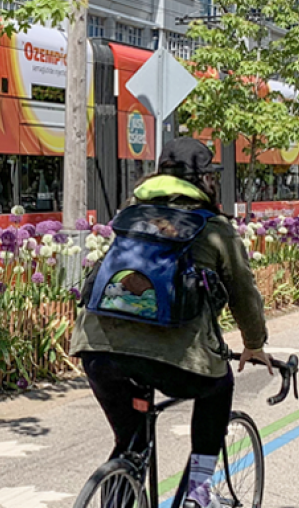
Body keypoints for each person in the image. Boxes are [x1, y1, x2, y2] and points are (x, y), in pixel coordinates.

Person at [70, 137, 270, 508]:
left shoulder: (130, 212)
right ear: (206, 180)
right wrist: (255, 343)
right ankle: (198, 492)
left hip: (98, 349)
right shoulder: (214, 226)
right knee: (218, 384)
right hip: (175, 359)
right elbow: (243, 292)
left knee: (130, 440)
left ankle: (121, 484)